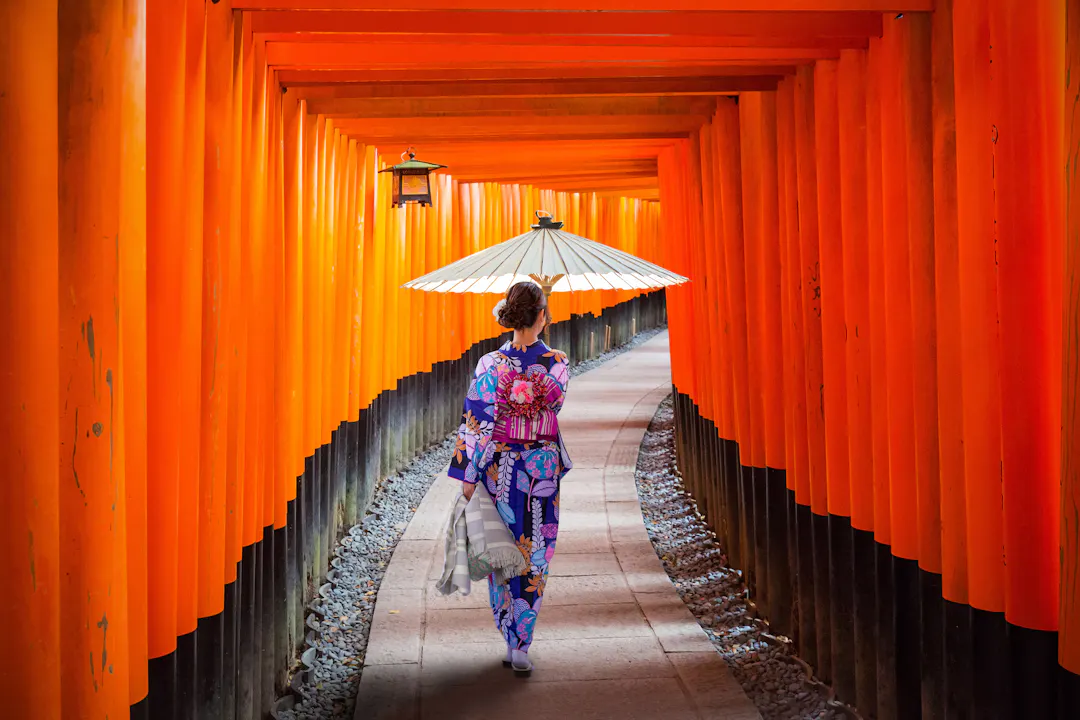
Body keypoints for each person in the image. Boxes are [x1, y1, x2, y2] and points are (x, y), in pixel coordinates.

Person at [447, 280, 573, 676]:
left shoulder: (489, 364)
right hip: (540, 472)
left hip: (499, 469)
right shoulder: (556, 363)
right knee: (536, 551)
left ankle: (508, 633)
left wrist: (469, 475)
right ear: (541, 316)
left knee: (503, 550)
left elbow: (476, 424)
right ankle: (521, 642)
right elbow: (554, 405)